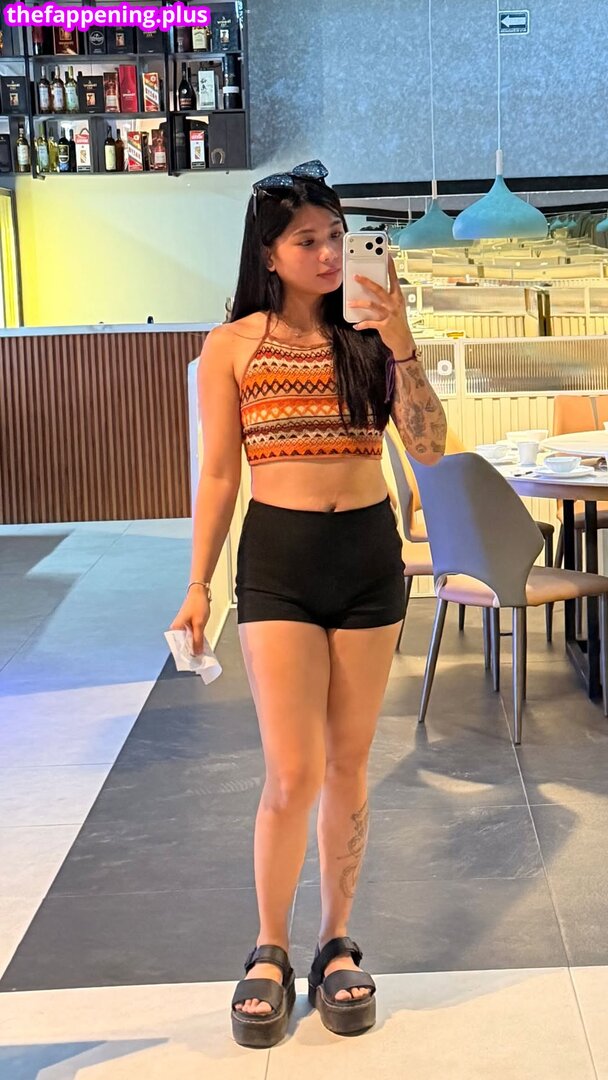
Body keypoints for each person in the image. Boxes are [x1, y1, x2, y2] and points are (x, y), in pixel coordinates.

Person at [170, 160, 447, 1049]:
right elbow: (220, 475)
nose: (329, 253)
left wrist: (400, 338)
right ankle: (270, 948)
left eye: (337, 236)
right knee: (291, 772)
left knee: (349, 765)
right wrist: (198, 584)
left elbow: (430, 447)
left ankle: (335, 940)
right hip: (280, 563)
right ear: (270, 254)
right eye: (308, 240)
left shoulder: (370, 333)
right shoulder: (232, 346)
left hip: (368, 558)